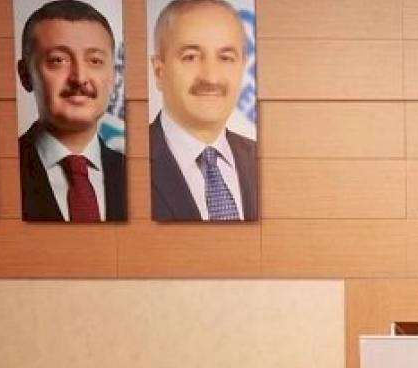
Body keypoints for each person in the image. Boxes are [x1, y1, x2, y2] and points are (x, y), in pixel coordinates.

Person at [17, 0, 126, 222]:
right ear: (25, 75)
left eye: (95, 60)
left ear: (113, 75)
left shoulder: (145, 176)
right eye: (58, 60)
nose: (79, 78)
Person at [149, 0, 258, 221]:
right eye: (190, 57)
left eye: (225, 58)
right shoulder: (124, 164)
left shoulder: (265, 161)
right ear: (159, 72)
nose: (211, 78)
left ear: (242, 67)